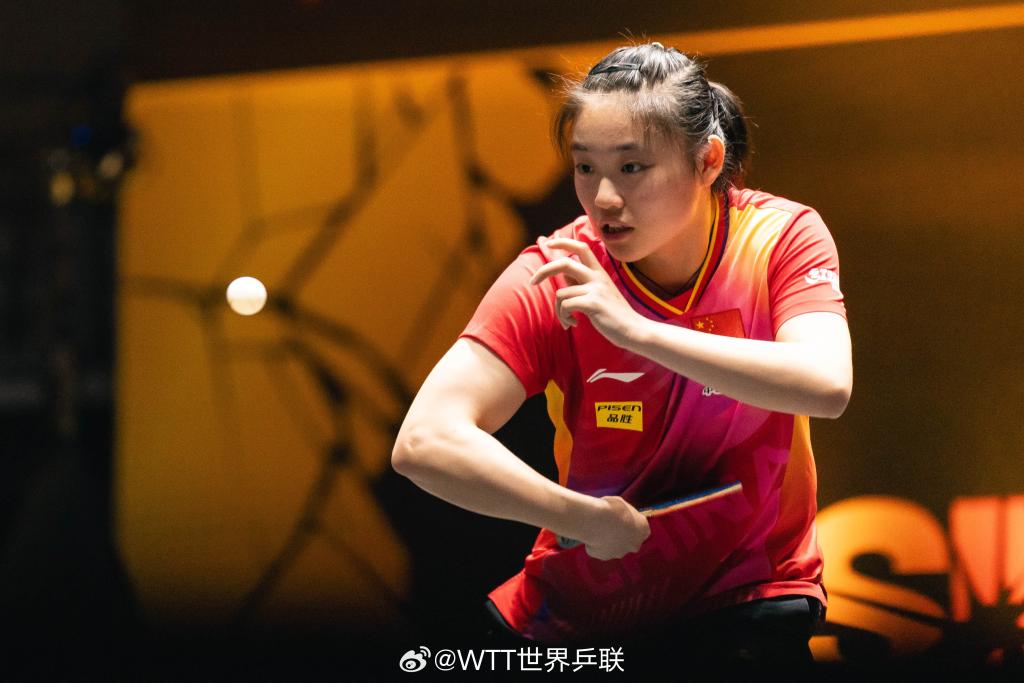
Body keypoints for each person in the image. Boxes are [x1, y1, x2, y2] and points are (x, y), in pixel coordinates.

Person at [391, 42, 851, 671]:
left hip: (751, 593)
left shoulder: (779, 238)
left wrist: (637, 331)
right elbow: (424, 443)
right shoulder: (556, 272)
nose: (604, 196)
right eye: (585, 167)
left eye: (632, 167)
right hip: (588, 616)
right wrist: (583, 518)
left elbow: (825, 384)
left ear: (708, 160)